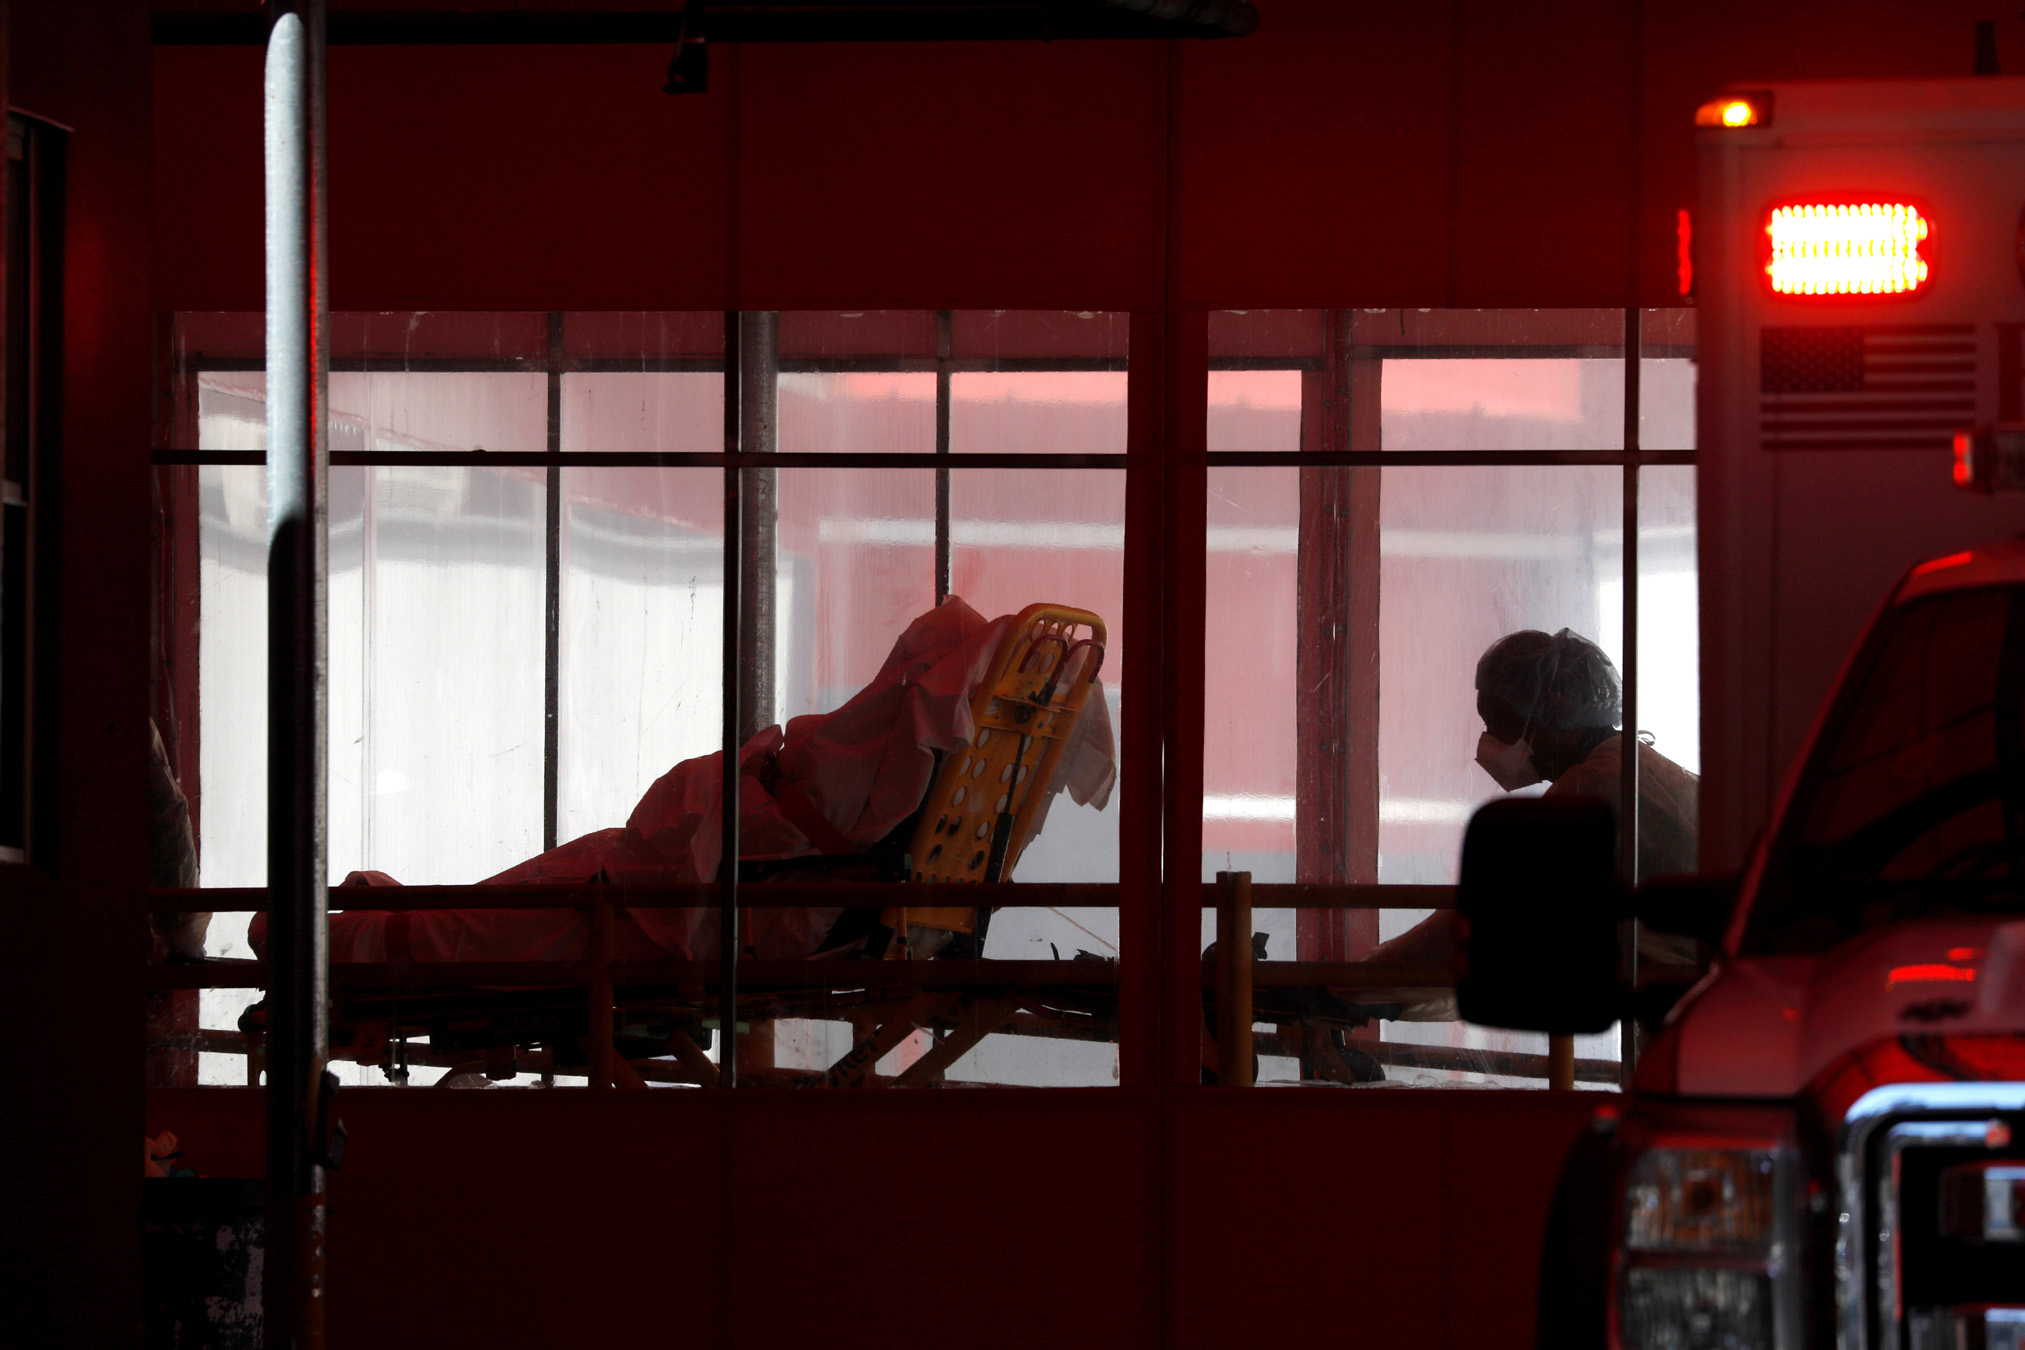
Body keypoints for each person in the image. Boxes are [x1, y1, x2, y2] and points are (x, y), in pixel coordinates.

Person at [1349, 627, 1700, 1019]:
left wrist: (1348, 984)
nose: (1491, 741)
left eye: (1501, 723)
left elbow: (1488, 923)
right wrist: (1386, 992)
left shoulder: (1594, 788)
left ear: (1555, 709)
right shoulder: (1631, 767)